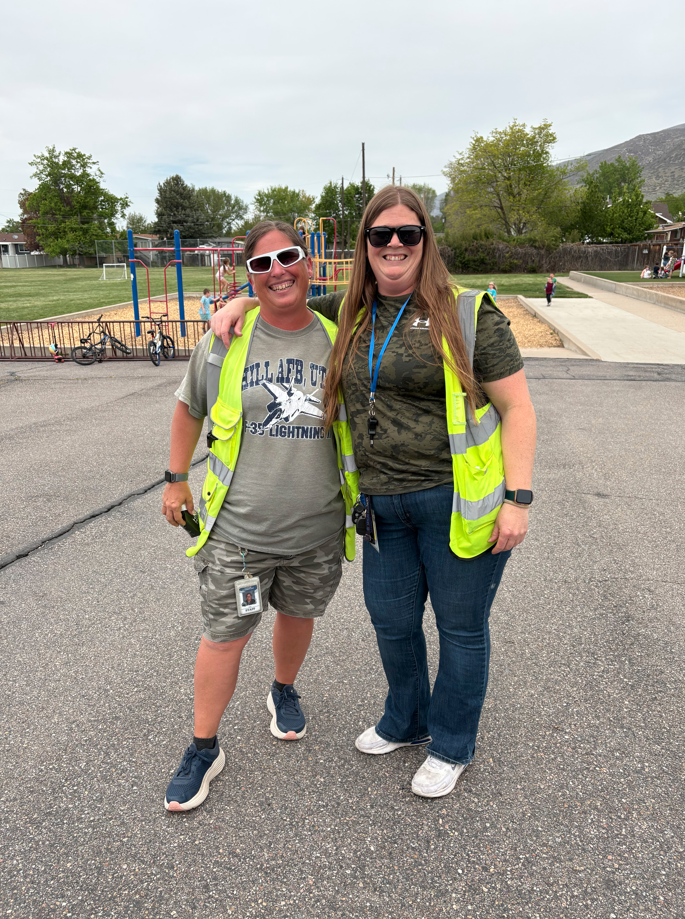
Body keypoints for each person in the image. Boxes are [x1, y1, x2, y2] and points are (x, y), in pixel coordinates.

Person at [211, 187, 536, 798]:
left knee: (461, 627)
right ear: (364, 244)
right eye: (380, 235)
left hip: (452, 497)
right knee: (392, 622)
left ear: (425, 241)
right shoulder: (351, 311)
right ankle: (406, 720)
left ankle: (452, 742)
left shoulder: (469, 314)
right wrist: (234, 304)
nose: (393, 245)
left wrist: (518, 500)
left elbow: (518, 408)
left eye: (407, 234)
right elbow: (284, 297)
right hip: (381, 502)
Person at [161, 220, 358, 812]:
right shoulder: (226, 340)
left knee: (298, 617)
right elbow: (188, 407)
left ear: (309, 263)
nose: (278, 271)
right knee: (225, 636)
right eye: (262, 265)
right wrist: (175, 481)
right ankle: (203, 748)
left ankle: (283, 689)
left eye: (289, 257)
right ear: (248, 274)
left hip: (317, 531)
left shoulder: (338, 337)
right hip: (239, 535)